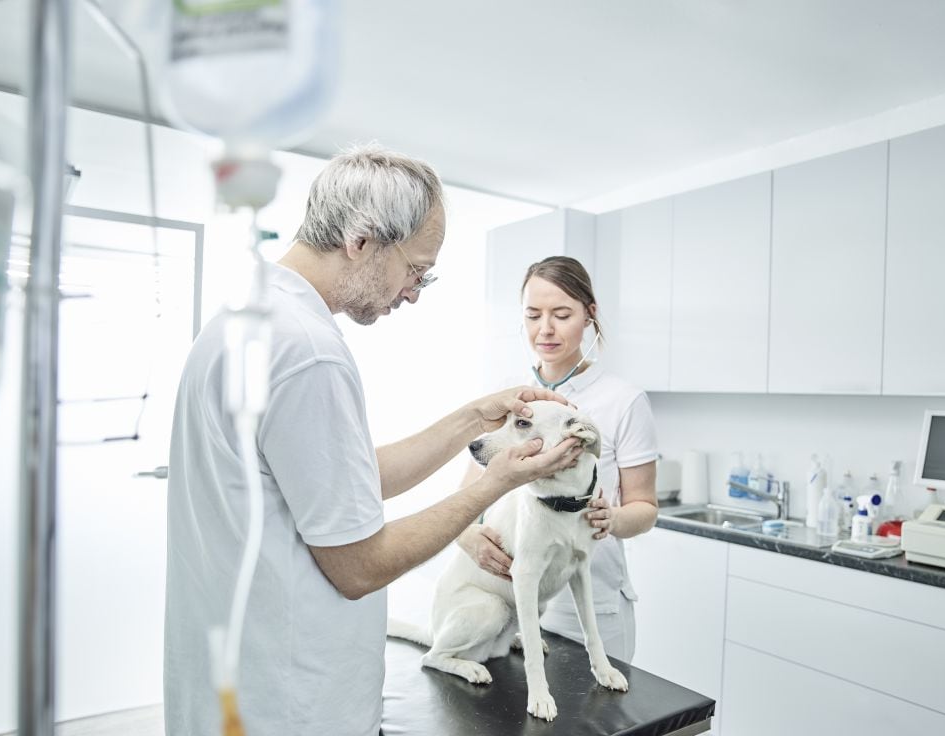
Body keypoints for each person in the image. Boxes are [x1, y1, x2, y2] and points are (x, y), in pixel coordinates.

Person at [163, 145, 583, 736]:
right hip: (291, 705)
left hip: (233, 687)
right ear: (362, 240)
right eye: (415, 269)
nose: (413, 292)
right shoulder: (308, 353)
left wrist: (471, 419)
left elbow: (345, 480)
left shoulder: (248, 319)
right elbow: (360, 566)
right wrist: (495, 484)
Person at [457, 255, 659, 662]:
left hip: (590, 604)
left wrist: (614, 519)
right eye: (533, 315)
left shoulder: (623, 400)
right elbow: (468, 495)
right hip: (515, 602)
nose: (545, 329)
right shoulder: (507, 394)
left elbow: (646, 508)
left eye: (562, 314)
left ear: (590, 315)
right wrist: (467, 538)